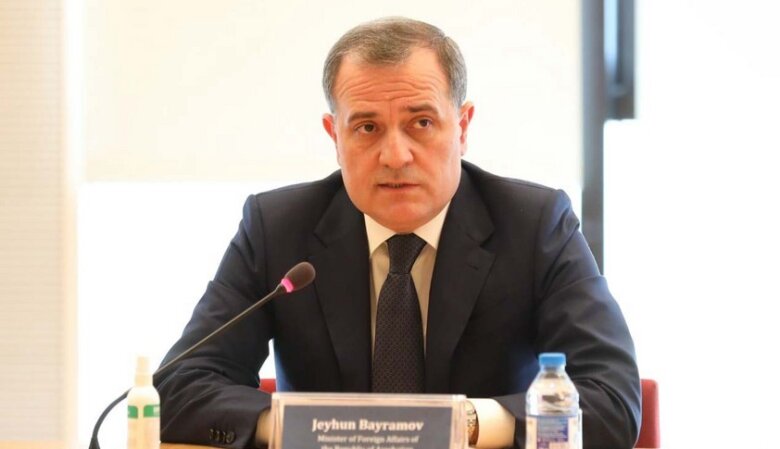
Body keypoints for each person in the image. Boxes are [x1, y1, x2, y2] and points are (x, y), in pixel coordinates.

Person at [156, 17, 641, 449]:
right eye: (367, 128)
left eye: (421, 123)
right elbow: (181, 386)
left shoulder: (535, 225)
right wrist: (300, 427)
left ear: (462, 127)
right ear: (334, 136)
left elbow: (612, 399)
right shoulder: (277, 228)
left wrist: (464, 424)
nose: (395, 156)